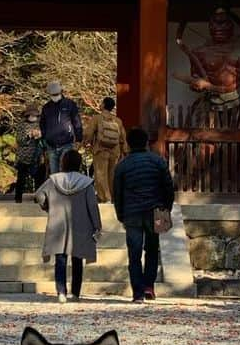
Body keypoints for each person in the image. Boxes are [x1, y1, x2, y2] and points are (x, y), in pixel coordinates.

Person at [112, 127, 175, 304]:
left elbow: (117, 193)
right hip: (155, 210)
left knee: (134, 253)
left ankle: (137, 293)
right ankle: (149, 286)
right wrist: (166, 209)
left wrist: (120, 215)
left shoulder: (122, 165)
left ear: (129, 144)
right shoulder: (158, 161)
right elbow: (168, 187)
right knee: (152, 250)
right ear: (146, 142)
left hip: (132, 212)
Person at [34, 147, 100, 304]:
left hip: (58, 223)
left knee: (60, 258)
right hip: (81, 224)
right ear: (78, 164)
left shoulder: (53, 180)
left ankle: (61, 292)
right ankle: (76, 293)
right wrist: (97, 225)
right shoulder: (86, 183)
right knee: (77, 258)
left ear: (63, 162)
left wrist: (47, 207)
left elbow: (39, 195)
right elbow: (92, 205)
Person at [87, 96, 127, 203]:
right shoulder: (118, 121)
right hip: (115, 151)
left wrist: (84, 143)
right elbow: (123, 137)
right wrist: (125, 151)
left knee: (100, 175)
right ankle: (113, 197)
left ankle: (105, 198)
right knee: (112, 175)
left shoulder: (96, 118)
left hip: (101, 150)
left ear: (104, 105)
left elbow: (88, 133)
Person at [39, 79, 83, 175]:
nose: (54, 97)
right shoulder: (46, 107)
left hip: (67, 143)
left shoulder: (69, 104)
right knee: (54, 174)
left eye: (56, 94)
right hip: (51, 145)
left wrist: (79, 139)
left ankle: (66, 189)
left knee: (65, 172)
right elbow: (42, 124)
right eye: (52, 95)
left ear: (60, 92)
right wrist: (43, 140)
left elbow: (77, 121)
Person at [14, 111, 44, 204]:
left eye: (35, 115)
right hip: (23, 156)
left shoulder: (40, 124)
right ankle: (18, 198)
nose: (33, 117)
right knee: (21, 179)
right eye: (32, 115)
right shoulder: (21, 125)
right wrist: (29, 135)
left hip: (36, 156)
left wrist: (40, 135)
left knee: (39, 178)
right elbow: (19, 140)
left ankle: (38, 198)